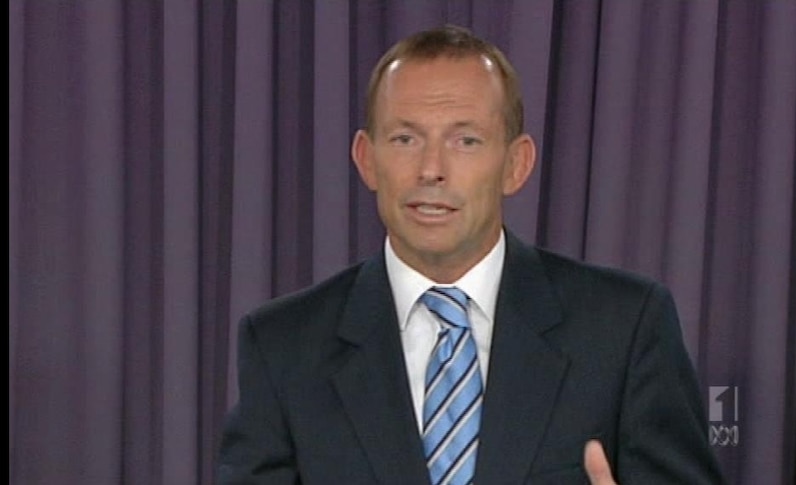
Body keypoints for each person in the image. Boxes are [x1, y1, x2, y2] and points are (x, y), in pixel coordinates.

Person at [217, 24, 724, 484]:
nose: (431, 169)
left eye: (465, 140)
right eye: (405, 138)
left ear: (516, 164)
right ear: (367, 160)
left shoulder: (624, 327)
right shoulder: (283, 346)